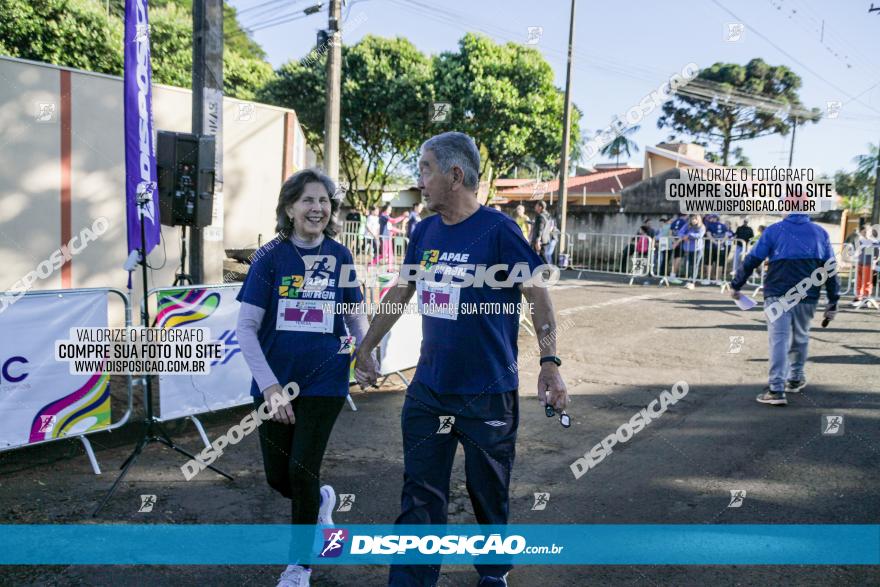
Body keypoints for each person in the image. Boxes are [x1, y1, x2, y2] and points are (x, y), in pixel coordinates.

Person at [353, 132, 568, 587]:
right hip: (430, 389)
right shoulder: (425, 231)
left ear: (455, 175)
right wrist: (367, 345)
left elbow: (539, 297)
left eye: (425, 169)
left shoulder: (500, 232)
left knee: (488, 493)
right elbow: (401, 290)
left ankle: (493, 573)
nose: (419, 180)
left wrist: (550, 363)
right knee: (420, 494)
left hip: (488, 392)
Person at [235, 168, 368, 587]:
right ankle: (322, 503)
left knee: (302, 470)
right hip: (274, 385)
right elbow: (245, 328)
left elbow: (353, 314)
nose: (317, 208)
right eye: (308, 200)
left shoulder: (340, 256)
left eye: (324, 200)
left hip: (325, 380)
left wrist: (365, 354)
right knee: (280, 477)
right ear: (289, 208)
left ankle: (299, 567)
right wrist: (271, 387)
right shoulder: (270, 257)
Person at [730, 213, 840, 405]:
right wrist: (833, 299)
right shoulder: (820, 232)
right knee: (801, 335)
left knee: (779, 340)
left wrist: (736, 285)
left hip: (778, 292)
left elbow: (752, 259)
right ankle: (795, 378)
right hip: (807, 294)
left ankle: (776, 389)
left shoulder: (774, 230)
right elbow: (830, 267)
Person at [371, 203, 407, 270]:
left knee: (390, 254)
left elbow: (390, 228)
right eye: (389, 209)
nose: (390, 211)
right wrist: (403, 216)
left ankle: (390, 268)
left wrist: (400, 231)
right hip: (384, 238)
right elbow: (394, 221)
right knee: (384, 254)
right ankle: (372, 263)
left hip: (389, 238)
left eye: (391, 209)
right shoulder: (383, 216)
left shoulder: (387, 216)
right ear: (385, 209)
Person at [853, 224, 879, 304]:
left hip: (868, 264)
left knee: (867, 281)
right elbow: (855, 252)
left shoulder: (874, 241)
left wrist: (875, 260)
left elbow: (878, 252)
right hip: (859, 263)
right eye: (864, 232)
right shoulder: (858, 240)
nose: (866, 233)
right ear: (861, 232)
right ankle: (858, 297)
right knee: (859, 280)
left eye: (868, 231)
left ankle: (866, 297)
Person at [678, 214, 705, 288]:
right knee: (689, 266)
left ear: (698, 219)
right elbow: (680, 232)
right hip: (688, 248)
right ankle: (689, 281)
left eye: (694, 219)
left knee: (695, 266)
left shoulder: (702, 226)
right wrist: (684, 236)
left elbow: (699, 235)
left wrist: (688, 235)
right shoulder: (687, 225)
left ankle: (692, 282)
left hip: (697, 249)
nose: (693, 220)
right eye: (692, 219)